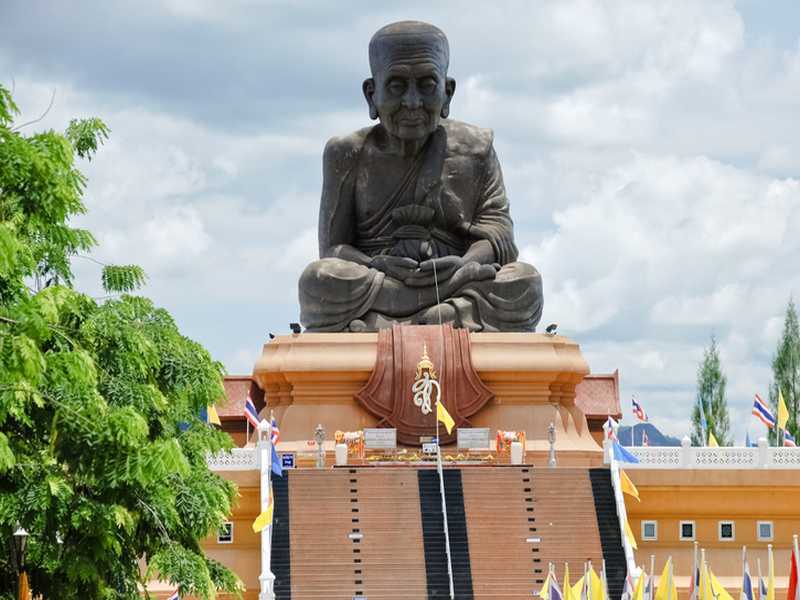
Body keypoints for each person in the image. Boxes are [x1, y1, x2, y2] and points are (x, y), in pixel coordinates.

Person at [298, 20, 543, 332]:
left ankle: (387, 323)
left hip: (455, 278)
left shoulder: (475, 148)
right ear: (372, 94)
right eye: (397, 85)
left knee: (525, 281)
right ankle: (444, 318)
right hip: (383, 280)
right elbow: (333, 249)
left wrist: (464, 266)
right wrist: (377, 264)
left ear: (448, 92)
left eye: (427, 85)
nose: (412, 102)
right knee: (318, 280)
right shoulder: (346, 153)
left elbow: (499, 237)